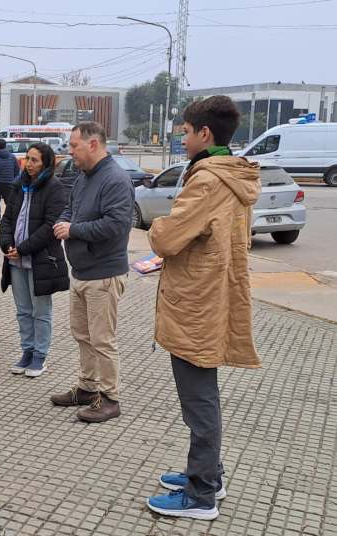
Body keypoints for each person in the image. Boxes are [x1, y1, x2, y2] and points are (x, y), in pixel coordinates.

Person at [145, 96, 261, 521]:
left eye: (186, 132)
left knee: (199, 401)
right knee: (202, 397)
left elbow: (167, 238)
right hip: (210, 296)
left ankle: (200, 495)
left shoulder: (208, 180)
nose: (183, 138)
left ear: (204, 134)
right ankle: (210, 474)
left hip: (197, 304)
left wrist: (158, 225)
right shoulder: (231, 173)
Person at [50, 122, 134, 423]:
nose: (70, 151)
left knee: (102, 340)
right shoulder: (84, 176)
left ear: (93, 144)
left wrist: (73, 230)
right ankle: (87, 388)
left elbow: (116, 226)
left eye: (74, 146)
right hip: (82, 273)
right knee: (82, 335)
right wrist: (64, 222)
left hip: (104, 275)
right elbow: (69, 208)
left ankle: (110, 398)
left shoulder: (115, 179)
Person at [0, 142, 69, 378]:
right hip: (15, 260)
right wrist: (7, 244)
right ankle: (27, 351)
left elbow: (51, 227)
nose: (29, 164)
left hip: (41, 261)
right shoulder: (19, 185)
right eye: (27, 158)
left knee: (41, 311)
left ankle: (40, 356)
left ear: (46, 163)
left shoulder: (54, 187)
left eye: (35, 160)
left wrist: (24, 248)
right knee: (23, 310)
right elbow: (7, 218)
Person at [0, 138, 19, 224]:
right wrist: (15, 182)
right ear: (6, 146)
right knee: (9, 202)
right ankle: (10, 219)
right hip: (9, 184)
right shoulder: (12, 157)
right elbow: (17, 171)